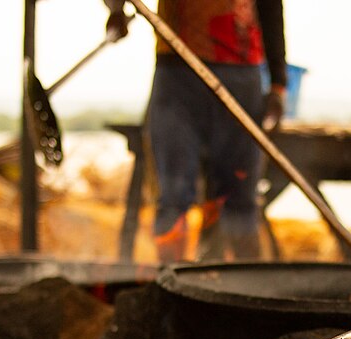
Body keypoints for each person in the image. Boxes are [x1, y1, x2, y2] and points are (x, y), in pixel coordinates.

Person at [104, 0, 287, 262]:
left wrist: (278, 83)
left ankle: (246, 288)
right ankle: (171, 285)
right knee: (174, 196)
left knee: (240, 197)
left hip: (241, 76)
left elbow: (270, 7)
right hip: (178, 69)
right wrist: (116, 8)